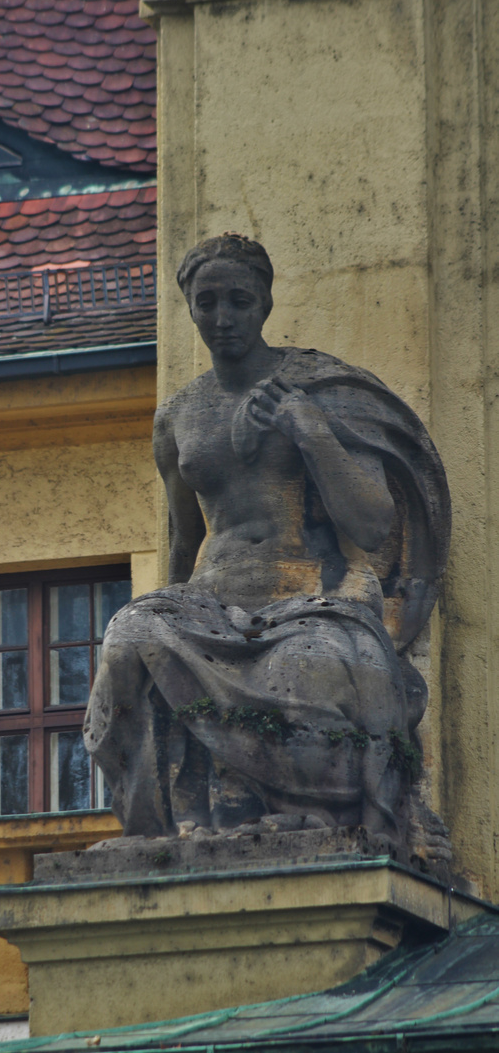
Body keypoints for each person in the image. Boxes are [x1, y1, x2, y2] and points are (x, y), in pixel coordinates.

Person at [84, 234, 450, 846]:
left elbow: (373, 525)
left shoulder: (316, 391)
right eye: (207, 303)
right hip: (212, 594)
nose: (223, 318)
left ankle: (320, 816)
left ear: (265, 304)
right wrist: (165, 609)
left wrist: (309, 431)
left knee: (308, 664)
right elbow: (183, 537)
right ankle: (154, 830)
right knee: (127, 640)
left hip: (311, 592)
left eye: (239, 300)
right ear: (190, 307)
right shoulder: (177, 415)